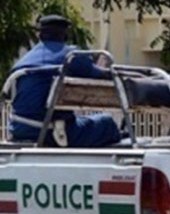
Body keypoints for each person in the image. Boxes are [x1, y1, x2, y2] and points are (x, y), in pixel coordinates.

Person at [8, 14, 121, 147]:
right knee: (106, 122)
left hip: (20, 130)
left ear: (40, 35)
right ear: (65, 35)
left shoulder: (22, 62)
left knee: (83, 121)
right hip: (53, 132)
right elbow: (101, 75)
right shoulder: (71, 56)